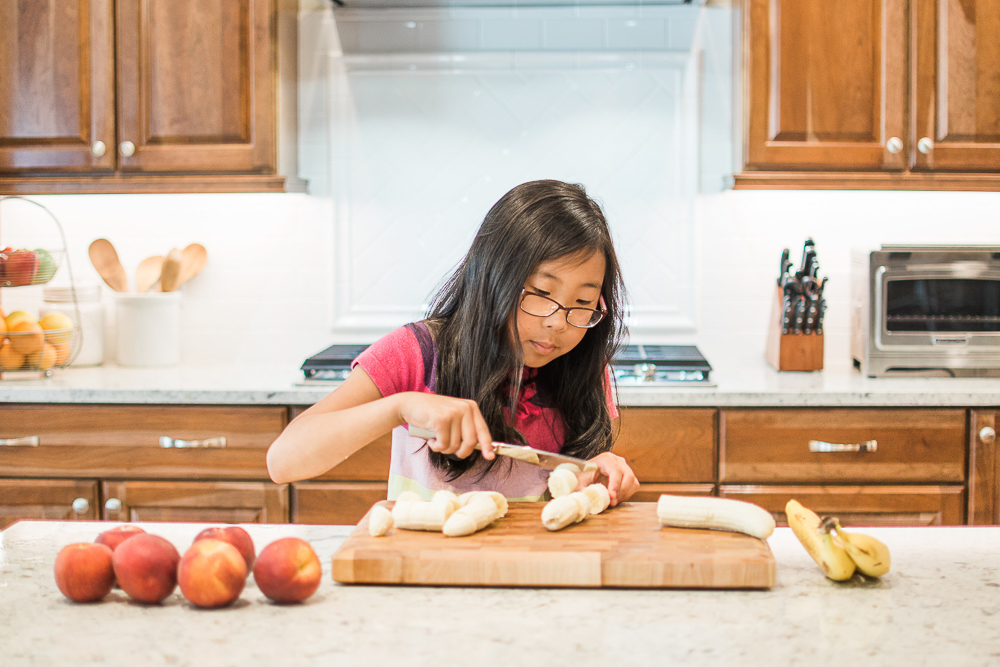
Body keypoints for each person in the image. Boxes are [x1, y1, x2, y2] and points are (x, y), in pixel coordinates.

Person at [267, 180, 640, 505]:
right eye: (541, 293)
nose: (557, 322)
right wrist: (400, 407)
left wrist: (601, 472)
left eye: (582, 302)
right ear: (493, 277)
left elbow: (579, 486)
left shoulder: (585, 368)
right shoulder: (417, 353)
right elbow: (283, 461)